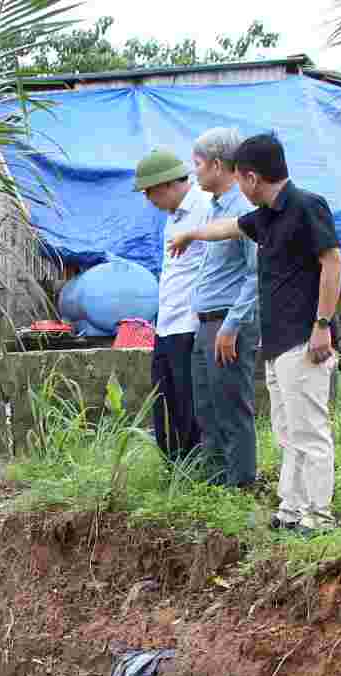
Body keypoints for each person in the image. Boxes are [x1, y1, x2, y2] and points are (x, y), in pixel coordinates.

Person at [170, 132, 341, 534]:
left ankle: (319, 516)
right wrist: (191, 234)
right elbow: (228, 228)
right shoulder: (266, 216)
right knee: (286, 431)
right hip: (276, 342)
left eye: (239, 178)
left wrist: (322, 325)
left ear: (250, 177)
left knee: (310, 430)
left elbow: (333, 262)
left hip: (304, 338)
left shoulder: (307, 205)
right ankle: (291, 508)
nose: (238, 187)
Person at [185, 127, 261, 490]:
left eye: (197, 164)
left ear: (217, 165)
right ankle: (214, 486)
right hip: (207, 322)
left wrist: (232, 325)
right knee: (208, 408)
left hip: (228, 321)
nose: (194, 172)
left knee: (231, 407)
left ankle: (240, 487)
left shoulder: (244, 210)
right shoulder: (216, 209)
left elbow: (256, 274)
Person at [133, 148, 212, 463]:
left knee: (189, 400)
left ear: (167, 184)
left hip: (190, 322)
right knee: (165, 399)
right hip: (167, 323)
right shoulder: (173, 218)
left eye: (149, 192)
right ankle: (174, 465)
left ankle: (195, 466)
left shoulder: (205, 207)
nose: (148, 199)